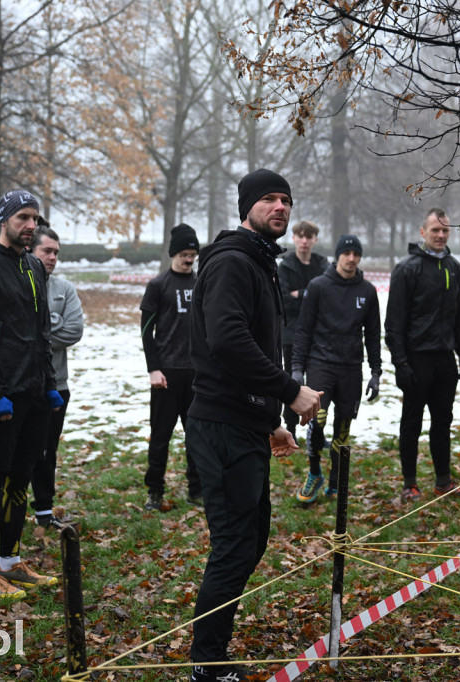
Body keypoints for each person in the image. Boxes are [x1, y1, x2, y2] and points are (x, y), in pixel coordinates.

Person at [186, 169, 321, 681]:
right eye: (269, 199)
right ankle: (207, 663)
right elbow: (227, 341)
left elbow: (251, 349)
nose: (280, 207)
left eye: (286, 199)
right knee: (234, 543)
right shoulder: (233, 262)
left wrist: (269, 421)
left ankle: (211, 650)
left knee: (252, 538)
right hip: (219, 424)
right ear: (247, 207)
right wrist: (289, 391)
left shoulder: (260, 262)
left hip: (244, 422)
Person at [0, 189, 64, 601]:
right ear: (4, 219)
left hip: (33, 396)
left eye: (35, 219)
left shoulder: (33, 267)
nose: (30, 225)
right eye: (23, 217)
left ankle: (10, 562)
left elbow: (41, 335)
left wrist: (49, 385)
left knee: (20, 481)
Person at [384, 207, 460, 502]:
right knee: (412, 422)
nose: (441, 235)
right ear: (423, 232)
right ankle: (409, 483)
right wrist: (401, 362)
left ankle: (443, 481)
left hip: (444, 359)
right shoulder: (407, 268)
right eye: (435, 230)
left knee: (442, 421)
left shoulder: (454, 267)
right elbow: (393, 323)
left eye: (445, 230)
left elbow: (459, 317)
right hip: (416, 359)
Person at [291, 234, 381, 504]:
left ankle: (334, 482)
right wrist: (297, 368)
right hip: (321, 363)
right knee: (317, 419)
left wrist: (376, 373)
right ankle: (315, 472)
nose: (351, 259)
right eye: (347, 253)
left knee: (343, 429)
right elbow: (303, 329)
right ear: (338, 255)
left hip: (351, 368)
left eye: (356, 254)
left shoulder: (367, 291)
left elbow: (374, 335)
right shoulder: (318, 286)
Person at [140, 223, 202, 512]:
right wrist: (154, 368)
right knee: (161, 435)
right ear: (173, 253)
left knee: (197, 436)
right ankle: (155, 490)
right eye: (184, 253)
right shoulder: (158, 286)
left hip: (196, 376)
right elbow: (146, 331)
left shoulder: (201, 283)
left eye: (193, 254)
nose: (189, 259)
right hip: (165, 374)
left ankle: (197, 489)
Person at [29, 223, 84, 529]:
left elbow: (74, 330)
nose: (52, 258)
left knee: (48, 450)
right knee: (21, 453)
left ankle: (44, 510)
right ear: (30, 250)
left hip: (57, 386)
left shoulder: (64, 289)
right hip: (23, 386)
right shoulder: (19, 284)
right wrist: (51, 326)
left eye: (55, 253)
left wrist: (40, 329)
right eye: (46, 251)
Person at [277, 220, 329, 439]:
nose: (304, 241)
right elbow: (283, 299)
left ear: (315, 239)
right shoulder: (286, 266)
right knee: (292, 382)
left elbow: (327, 295)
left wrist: (299, 294)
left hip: (318, 335)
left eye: (309, 237)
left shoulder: (322, 264)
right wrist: (308, 295)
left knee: (318, 385)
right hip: (291, 334)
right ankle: (290, 429)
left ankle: (317, 432)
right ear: (294, 238)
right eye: (300, 236)